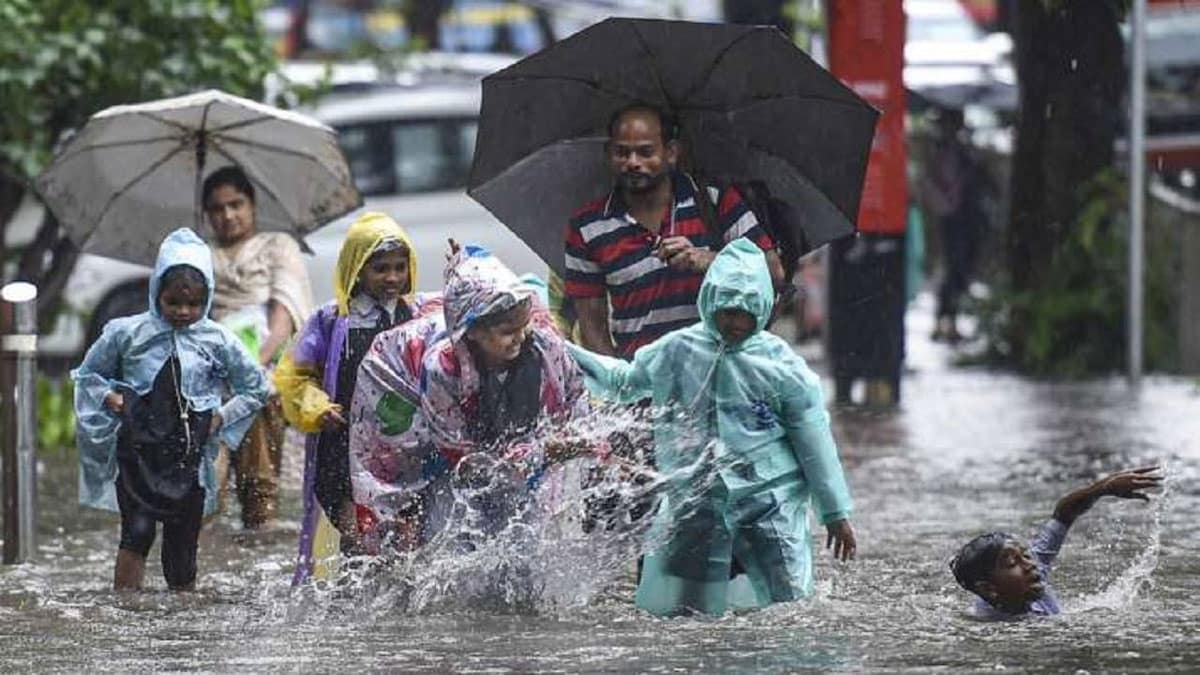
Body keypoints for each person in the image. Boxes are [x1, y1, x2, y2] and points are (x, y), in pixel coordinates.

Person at [567, 239, 857, 617]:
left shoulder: (783, 368)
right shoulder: (678, 350)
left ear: (764, 309)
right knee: (684, 614)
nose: (736, 323)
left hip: (767, 505)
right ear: (710, 302)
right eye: (727, 312)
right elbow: (622, 382)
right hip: (697, 503)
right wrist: (562, 350)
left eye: (746, 313)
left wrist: (835, 513)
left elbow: (814, 441)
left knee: (790, 610)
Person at [74, 228, 268, 591]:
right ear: (156, 294)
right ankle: (126, 608)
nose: (183, 312)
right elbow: (87, 375)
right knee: (137, 533)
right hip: (138, 454)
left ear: (207, 298)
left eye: (194, 304)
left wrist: (220, 418)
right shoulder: (126, 333)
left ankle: (182, 622)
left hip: (188, 455)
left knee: (182, 550)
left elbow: (256, 387)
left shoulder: (218, 339)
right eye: (173, 302)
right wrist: (109, 397)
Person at [274, 212, 440, 582]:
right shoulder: (331, 323)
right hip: (344, 450)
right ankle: (355, 610)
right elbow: (293, 377)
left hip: (404, 452)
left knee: (406, 543)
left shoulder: (418, 317)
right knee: (358, 541)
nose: (393, 277)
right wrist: (317, 408)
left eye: (400, 267)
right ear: (357, 269)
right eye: (381, 269)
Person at [564, 103, 784, 360]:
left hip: (723, 379)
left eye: (645, 152)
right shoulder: (587, 227)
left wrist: (710, 261)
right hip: (643, 387)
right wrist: (619, 384)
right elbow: (592, 327)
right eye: (622, 152)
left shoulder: (715, 201)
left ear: (671, 152)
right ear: (608, 153)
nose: (633, 162)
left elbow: (772, 272)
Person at [419, 243, 591, 538]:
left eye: (524, 327)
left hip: (529, 470)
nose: (520, 338)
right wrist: (537, 454)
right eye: (507, 333)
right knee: (456, 549)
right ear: (471, 331)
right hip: (453, 473)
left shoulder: (545, 348)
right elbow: (462, 460)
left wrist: (575, 445)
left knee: (527, 551)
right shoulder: (442, 371)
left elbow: (575, 398)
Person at [202, 165, 314, 529]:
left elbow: (285, 316)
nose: (228, 215)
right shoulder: (200, 256)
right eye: (217, 209)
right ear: (207, 214)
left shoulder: (277, 246)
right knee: (204, 487)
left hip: (266, 364)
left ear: (252, 206)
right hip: (209, 369)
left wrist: (251, 366)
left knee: (255, 397)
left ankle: (259, 517)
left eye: (236, 204)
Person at [951, 466, 1163, 620]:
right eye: (1012, 563)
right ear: (989, 589)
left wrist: (1102, 488)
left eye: (1025, 555)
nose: (1030, 563)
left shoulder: (1032, 575)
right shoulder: (986, 629)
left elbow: (1063, 513)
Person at [922, 108, 988, 343]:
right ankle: (945, 321)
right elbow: (936, 185)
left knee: (960, 268)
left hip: (964, 216)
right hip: (952, 216)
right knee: (954, 267)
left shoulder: (961, 151)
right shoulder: (943, 152)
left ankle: (949, 320)